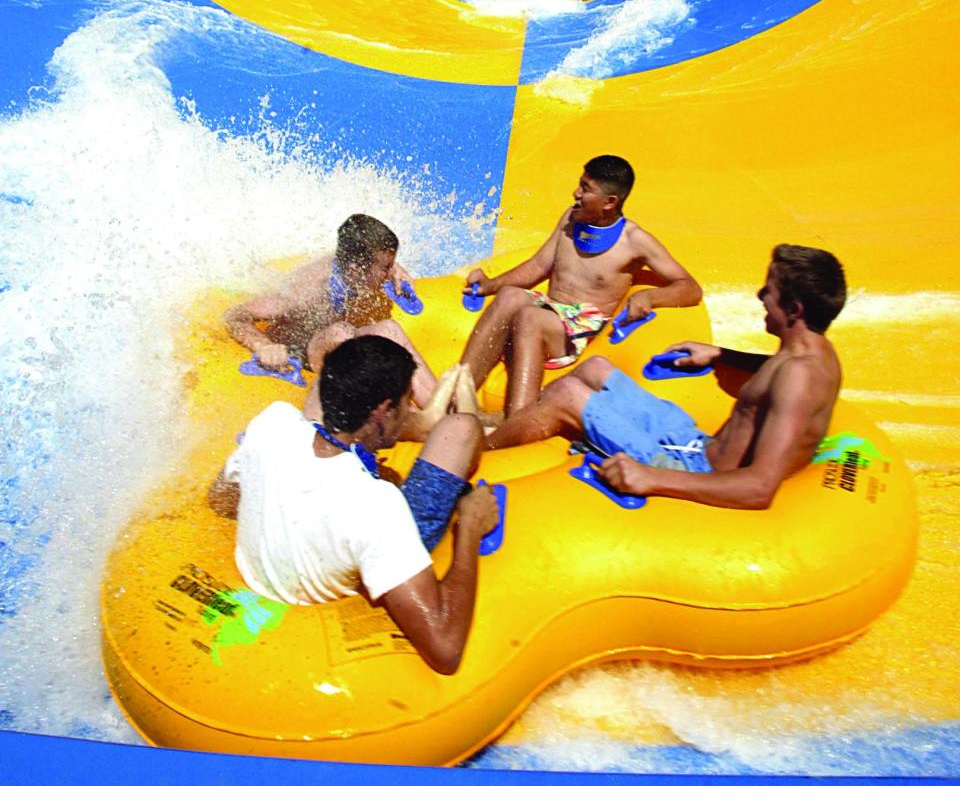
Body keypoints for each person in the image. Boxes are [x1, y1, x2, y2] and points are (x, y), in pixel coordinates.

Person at [209, 336, 498, 674]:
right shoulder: (378, 507)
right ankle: (448, 419)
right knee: (461, 427)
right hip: (364, 543)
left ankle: (417, 423)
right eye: (406, 404)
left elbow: (220, 497)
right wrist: (469, 531)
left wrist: (286, 502)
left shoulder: (273, 423)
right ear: (383, 411)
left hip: (329, 529)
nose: (407, 412)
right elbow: (445, 651)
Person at [486, 245, 846, 511]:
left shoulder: (799, 378)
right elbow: (781, 371)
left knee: (567, 393)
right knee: (595, 370)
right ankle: (514, 424)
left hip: (694, 468)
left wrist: (651, 477)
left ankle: (480, 450)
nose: (760, 295)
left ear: (795, 310)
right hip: (694, 443)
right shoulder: (814, 353)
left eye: (770, 290)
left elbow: (758, 488)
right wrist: (723, 354)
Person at [459, 155, 701, 416]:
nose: (576, 193)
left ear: (610, 202)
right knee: (508, 296)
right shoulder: (571, 219)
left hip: (580, 329)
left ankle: (518, 418)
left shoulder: (634, 241)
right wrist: (490, 285)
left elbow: (690, 287)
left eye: (586, 188)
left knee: (531, 317)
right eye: (580, 184)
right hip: (551, 311)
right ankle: (456, 397)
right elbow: (538, 266)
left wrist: (650, 297)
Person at [224, 213, 437, 408]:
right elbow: (235, 315)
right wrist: (264, 346)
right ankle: (396, 413)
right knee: (341, 333)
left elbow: (371, 266)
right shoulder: (306, 289)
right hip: (300, 352)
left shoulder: (355, 269)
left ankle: (437, 408)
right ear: (356, 269)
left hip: (334, 347)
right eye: (386, 267)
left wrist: (394, 269)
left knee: (389, 329)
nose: (392, 272)